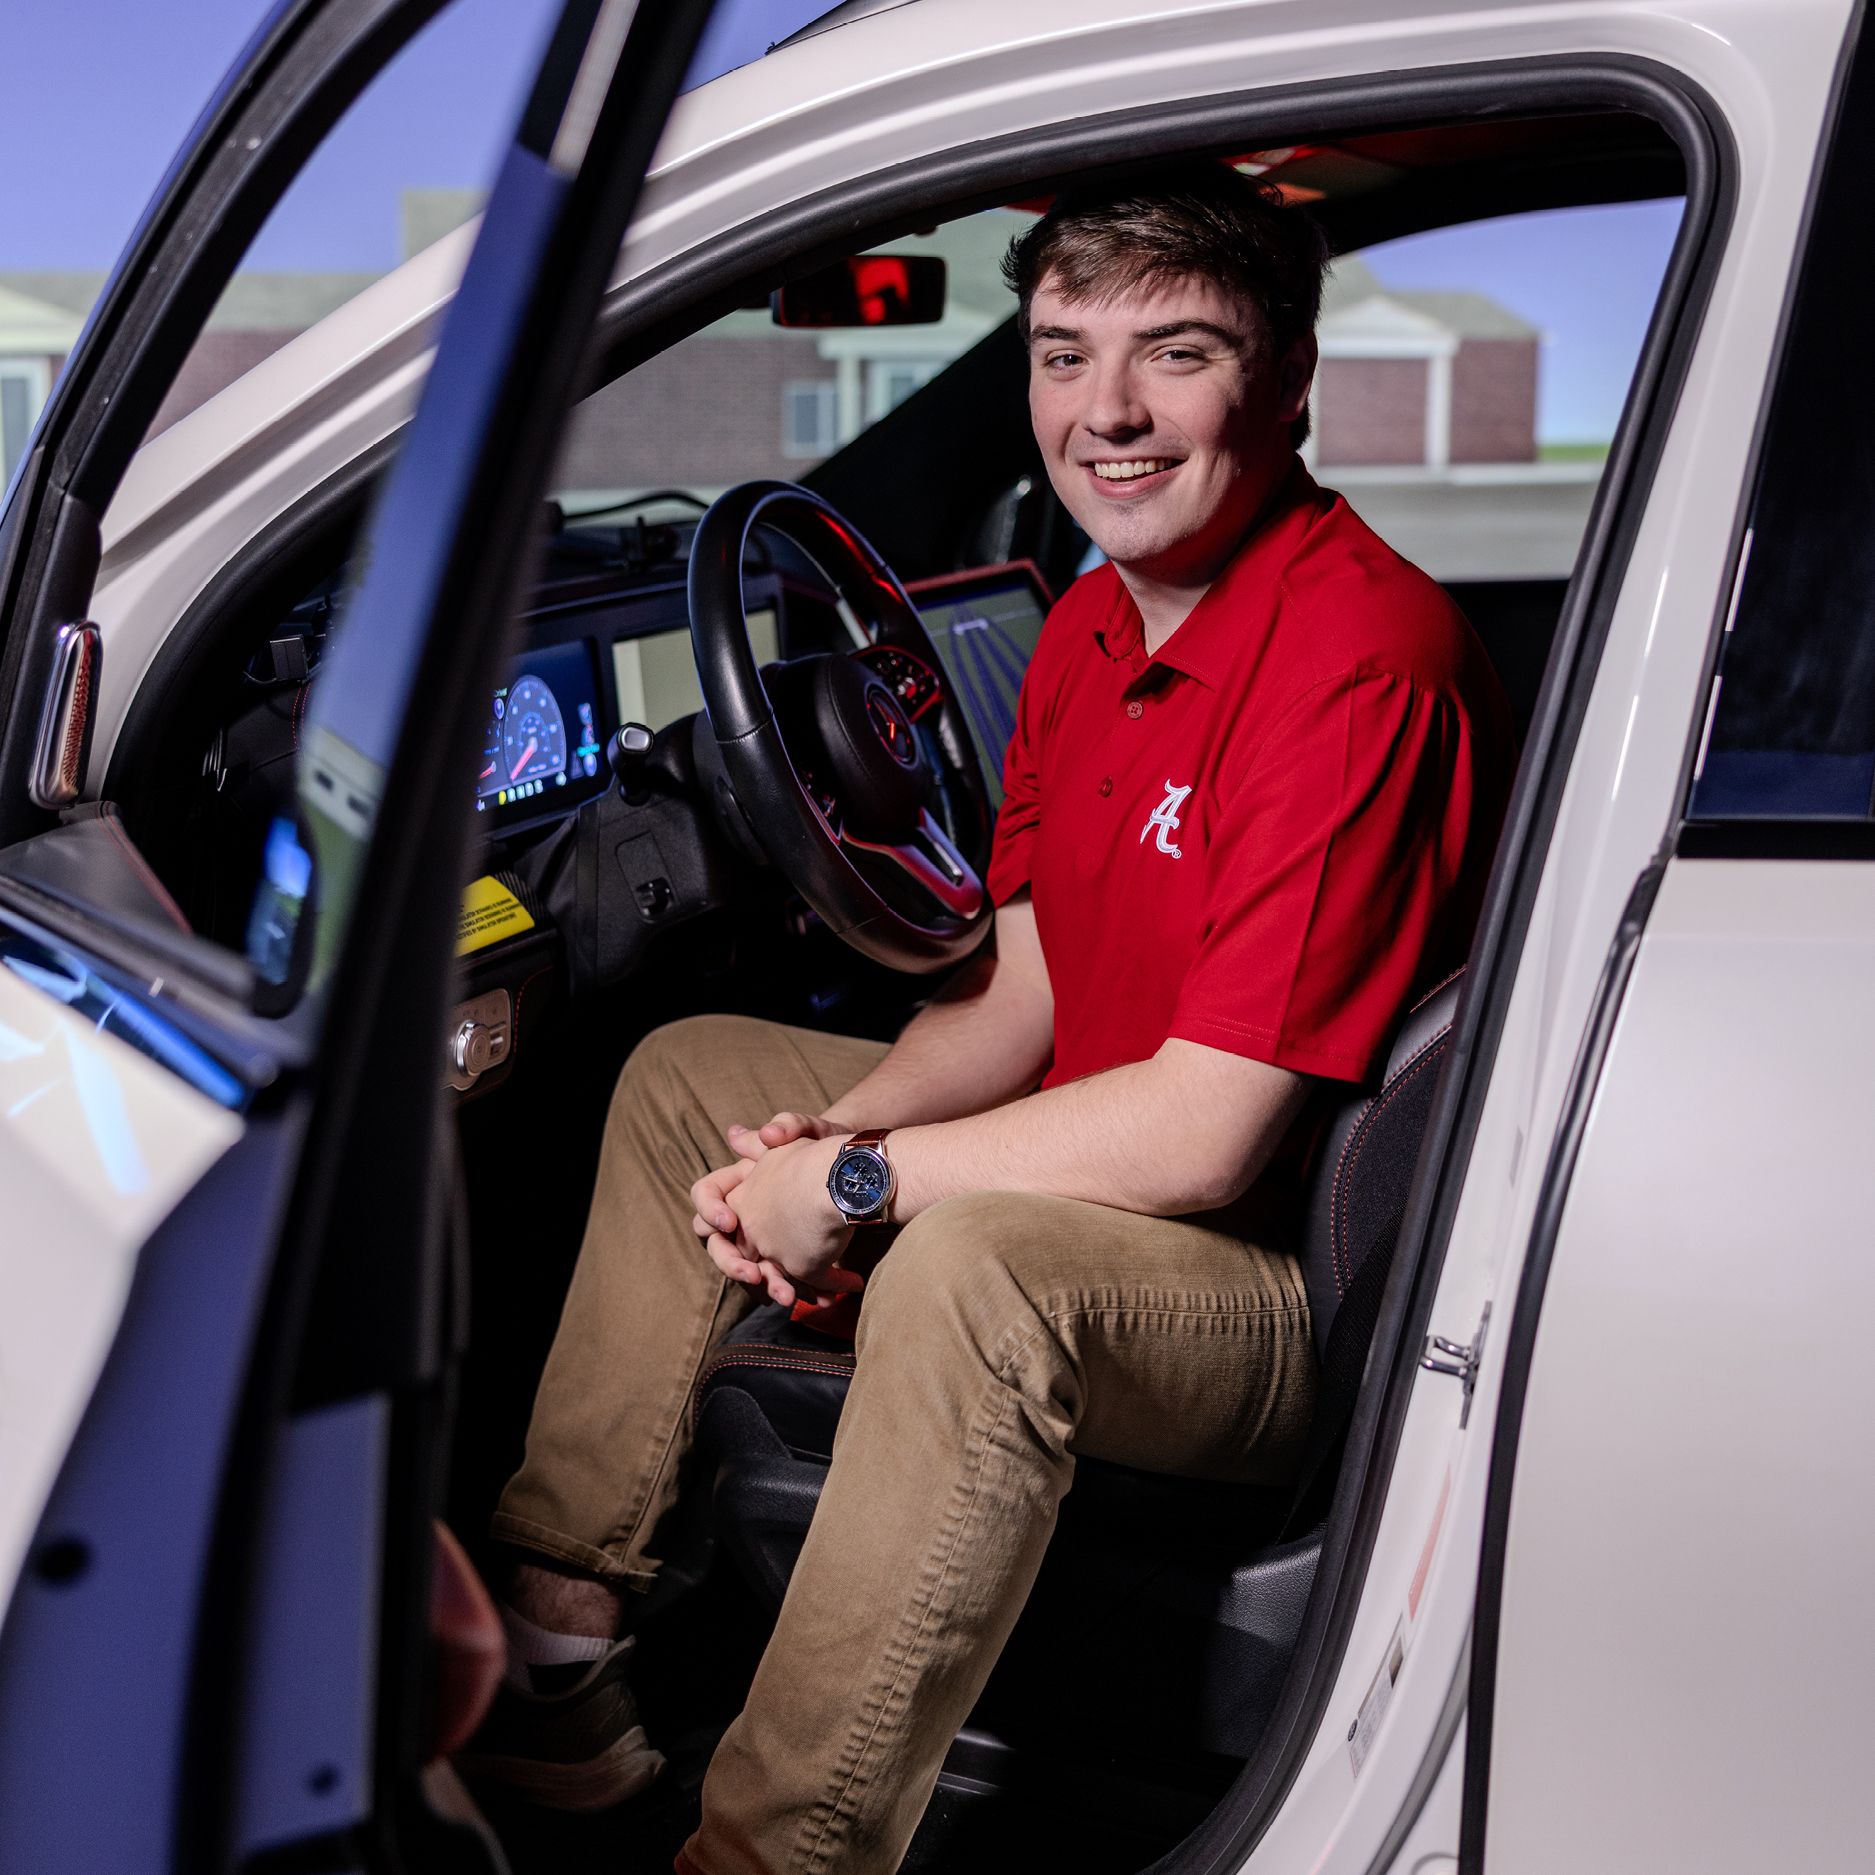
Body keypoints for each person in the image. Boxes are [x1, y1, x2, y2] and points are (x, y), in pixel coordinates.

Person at [466, 163, 1514, 1875]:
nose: (1106, 414)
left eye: (1176, 355)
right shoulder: (1099, 616)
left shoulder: (1354, 662)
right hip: (1139, 1167)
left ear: (1291, 378)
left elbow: (1205, 1133)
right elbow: (1022, 989)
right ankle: (562, 1677)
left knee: (974, 1267)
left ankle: (774, 1854)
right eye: (1061, 352)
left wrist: (875, 1195)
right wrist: (838, 1140)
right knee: (693, 1079)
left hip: (1289, 1284)